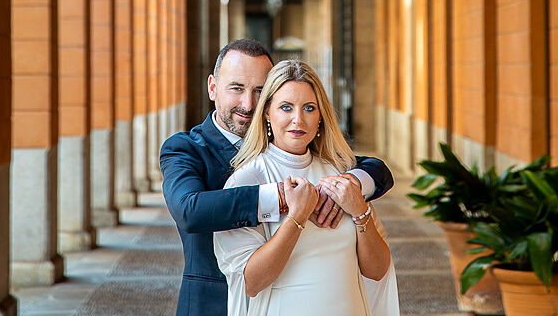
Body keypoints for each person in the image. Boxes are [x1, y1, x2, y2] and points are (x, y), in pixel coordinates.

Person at [161, 39, 394, 316]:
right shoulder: (186, 148)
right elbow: (190, 211)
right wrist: (284, 197)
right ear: (213, 87)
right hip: (212, 304)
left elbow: (376, 168)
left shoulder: (313, 158)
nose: (248, 104)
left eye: (259, 90)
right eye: (236, 88)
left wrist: (352, 185)